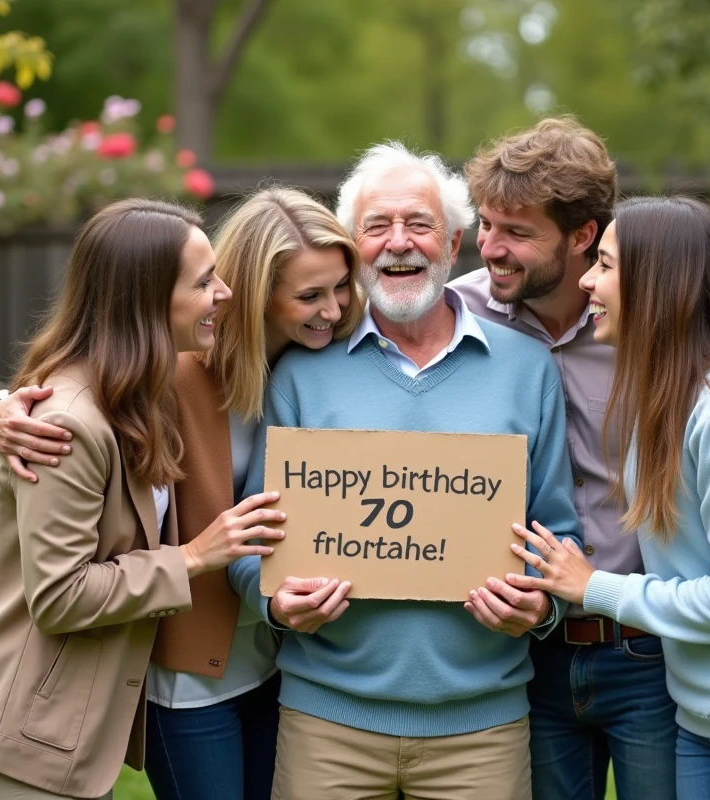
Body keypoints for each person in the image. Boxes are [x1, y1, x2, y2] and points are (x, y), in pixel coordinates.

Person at [451, 117, 710, 800]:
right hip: (530, 645)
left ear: (582, 237)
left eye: (516, 232)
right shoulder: (457, 318)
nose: (490, 248)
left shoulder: (662, 342)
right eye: (485, 225)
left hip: (653, 648)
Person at [0, 188, 365, 800]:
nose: (333, 310)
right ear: (257, 292)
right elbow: (76, 395)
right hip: (189, 667)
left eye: (341, 289)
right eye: (310, 296)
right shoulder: (176, 366)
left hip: (282, 658)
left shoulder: (334, 364)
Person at [226, 142, 582, 800]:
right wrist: (273, 602)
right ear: (352, 247)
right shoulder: (301, 371)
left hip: (483, 730)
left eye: (419, 224)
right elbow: (251, 542)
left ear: (452, 242)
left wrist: (541, 605)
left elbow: (559, 532)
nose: (398, 242)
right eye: (377, 226)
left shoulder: (527, 368)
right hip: (325, 723)